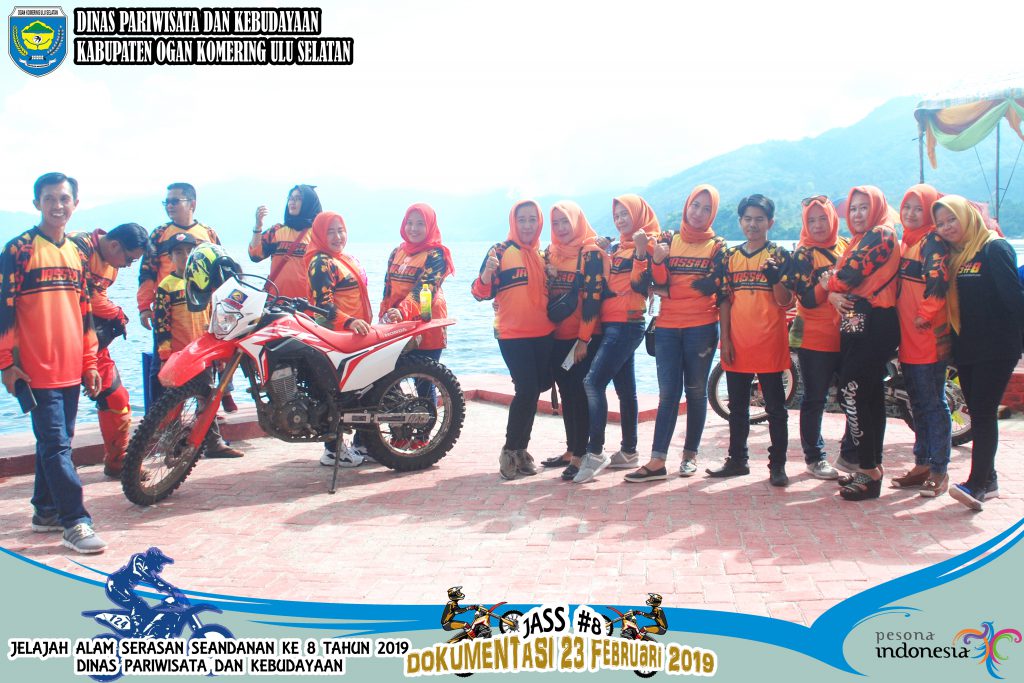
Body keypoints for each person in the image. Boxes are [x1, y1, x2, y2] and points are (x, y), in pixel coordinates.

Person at [0, 172, 105, 554]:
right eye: (50, 199)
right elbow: (3, 311)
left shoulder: (76, 252)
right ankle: (75, 521)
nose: (58, 206)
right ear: (37, 203)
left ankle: (45, 511)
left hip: (70, 369)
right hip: (33, 371)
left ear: (75, 203)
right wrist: (6, 365)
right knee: (57, 445)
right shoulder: (19, 250)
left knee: (57, 443)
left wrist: (89, 362)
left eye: (64, 198)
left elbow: (85, 311)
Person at [625, 185, 726, 482]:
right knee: (668, 393)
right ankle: (657, 461)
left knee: (696, 392)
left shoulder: (718, 246)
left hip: (702, 328)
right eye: (695, 205)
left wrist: (669, 290)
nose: (699, 213)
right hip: (667, 328)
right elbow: (648, 283)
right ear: (687, 205)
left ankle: (690, 456)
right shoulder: (668, 239)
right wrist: (657, 262)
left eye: (706, 208)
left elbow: (711, 287)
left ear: (713, 213)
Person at [934, 196, 1024, 510]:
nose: (947, 227)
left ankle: (976, 484)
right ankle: (990, 479)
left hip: (997, 347)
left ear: (967, 217)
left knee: (984, 413)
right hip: (967, 347)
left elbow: (1015, 300)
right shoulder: (955, 255)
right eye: (941, 223)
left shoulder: (994, 248)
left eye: (952, 219)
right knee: (977, 411)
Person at [707, 194, 794, 486]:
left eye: (759, 219)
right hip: (739, 341)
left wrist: (775, 278)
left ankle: (777, 466)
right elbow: (723, 300)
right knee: (738, 408)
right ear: (740, 221)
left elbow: (786, 301)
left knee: (776, 409)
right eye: (747, 219)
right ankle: (737, 460)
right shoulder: (728, 256)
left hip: (771, 340)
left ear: (770, 222)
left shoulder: (779, 255)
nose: (753, 224)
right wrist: (726, 340)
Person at [822, 186, 901, 501]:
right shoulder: (859, 239)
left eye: (863, 207)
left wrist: (830, 283)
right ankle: (871, 467)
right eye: (852, 208)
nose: (856, 214)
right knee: (869, 396)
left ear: (877, 208)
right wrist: (834, 285)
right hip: (860, 324)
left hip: (876, 324)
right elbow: (842, 277)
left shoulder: (881, 235)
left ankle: (867, 468)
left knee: (851, 393)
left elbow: (847, 276)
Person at [572, 194, 657, 484]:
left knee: (592, 383)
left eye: (625, 214)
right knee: (625, 390)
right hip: (611, 323)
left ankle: (595, 451)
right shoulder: (619, 248)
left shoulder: (648, 245)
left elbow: (641, 286)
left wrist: (642, 253)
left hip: (627, 323)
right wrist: (604, 251)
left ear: (638, 216)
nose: (620, 220)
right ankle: (629, 451)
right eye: (617, 215)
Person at [471, 200, 555, 480]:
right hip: (512, 333)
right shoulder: (499, 251)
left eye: (532, 219)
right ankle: (510, 451)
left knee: (535, 389)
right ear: (513, 222)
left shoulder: (543, 255)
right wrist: (487, 272)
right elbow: (479, 293)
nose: (527, 225)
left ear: (539, 223)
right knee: (527, 389)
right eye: (522, 220)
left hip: (544, 332)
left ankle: (521, 451)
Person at [68, 223, 150, 478]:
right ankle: (57, 471)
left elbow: (97, 298)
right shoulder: (77, 246)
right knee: (61, 409)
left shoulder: (112, 266)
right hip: (60, 340)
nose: (128, 266)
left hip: (90, 340)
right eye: (129, 259)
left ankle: (117, 460)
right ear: (115, 245)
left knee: (117, 398)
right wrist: (116, 313)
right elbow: (83, 295)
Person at [138, 183, 226, 409]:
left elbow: (221, 273)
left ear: (192, 204)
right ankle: (159, 419)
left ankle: (208, 418)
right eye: (166, 202)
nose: (169, 206)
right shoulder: (159, 234)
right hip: (169, 312)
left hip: (202, 313)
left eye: (175, 201)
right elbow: (147, 272)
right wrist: (144, 307)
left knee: (208, 366)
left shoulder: (208, 234)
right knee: (161, 367)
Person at [154, 235, 244, 458]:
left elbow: (214, 317)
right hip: (179, 355)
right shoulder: (166, 286)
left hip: (203, 352)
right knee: (174, 402)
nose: (184, 256)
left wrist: (219, 352)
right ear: (170, 257)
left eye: (188, 252)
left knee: (208, 397)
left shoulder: (204, 283)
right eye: (178, 252)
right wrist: (164, 355)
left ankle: (213, 443)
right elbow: (161, 325)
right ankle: (171, 443)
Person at [891, 184, 953, 497]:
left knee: (933, 404)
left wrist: (924, 314)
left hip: (927, 337)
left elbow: (939, 283)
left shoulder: (932, 241)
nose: (911, 214)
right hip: (908, 339)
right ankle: (922, 464)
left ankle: (940, 470)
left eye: (919, 209)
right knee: (916, 403)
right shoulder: (907, 242)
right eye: (907, 207)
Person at [539, 201, 607, 479]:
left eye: (565, 221)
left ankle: (581, 455)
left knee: (579, 395)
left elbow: (593, 299)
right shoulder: (550, 252)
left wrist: (583, 340)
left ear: (577, 221)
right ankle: (571, 449)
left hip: (583, 338)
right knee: (566, 394)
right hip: (557, 336)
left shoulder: (591, 253)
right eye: (555, 223)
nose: (561, 228)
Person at [786, 196, 847, 480]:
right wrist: (825, 290)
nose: (818, 225)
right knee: (815, 399)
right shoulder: (804, 254)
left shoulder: (846, 245)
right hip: (815, 337)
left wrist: (830, 287)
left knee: (852, 396)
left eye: (823, 218)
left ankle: (851, 454)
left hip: (848, 334)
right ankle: (815, 457)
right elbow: (807, 300)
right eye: (811, 220)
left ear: (832, 219)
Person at [306, 211, 373, 467]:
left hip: (356, 337)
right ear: (319, 235)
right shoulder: (321, 262)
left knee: (360, 391)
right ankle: (333, 450)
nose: (337, 236)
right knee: (335, 394)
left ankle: (363, 444)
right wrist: (349, 322)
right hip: (337, 338)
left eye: (340, 230)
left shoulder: (344, 258)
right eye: (330, 232)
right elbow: (322, 305)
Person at [379, 203, 455, 428]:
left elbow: (426, 288)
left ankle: (423, 437)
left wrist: (402, 311)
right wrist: (383, 318)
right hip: (396, 325)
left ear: (430, 226)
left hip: (426, 323)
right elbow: (387, 289)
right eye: (409, 223)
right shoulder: (397, 252)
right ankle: (398, 432)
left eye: (420, 223)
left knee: (424, 381)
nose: (413, 228)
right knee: (387, 379)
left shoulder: (437, 254)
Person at [249, 184, 323, 298]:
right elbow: (255, 255)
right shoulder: (277, 230)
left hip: (306, 304)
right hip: (275, 302)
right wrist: (258, 226)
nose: (292, 202)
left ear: (308, 203)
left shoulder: (318, 234)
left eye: (298, 198)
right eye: (290, 198)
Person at [105, 547, 177, 629]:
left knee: (145, 608)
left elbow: (156, 579)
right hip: (115, 585)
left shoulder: (149, 568)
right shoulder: (138, 558)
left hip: (124, 587)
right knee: (137, 604)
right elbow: (138, 572)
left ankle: (146, 626)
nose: (161, 566)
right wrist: (156, 582)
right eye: (159, 562)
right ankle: (135, 626)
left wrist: (170, 588)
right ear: (152, 560)